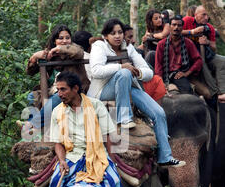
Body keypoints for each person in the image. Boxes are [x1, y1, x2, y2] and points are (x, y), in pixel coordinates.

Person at [87, 17, 185, 167]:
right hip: (102, 91)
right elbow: (95, 71)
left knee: (158, 112)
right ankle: (124, 118)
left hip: (127, 87)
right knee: (124, 74)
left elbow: (149, 72)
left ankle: (165, 156)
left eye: (120, 32)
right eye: (113, 33)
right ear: (106, 35)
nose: (118, 36)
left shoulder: (128, 47)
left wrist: (138, 71)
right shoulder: (99, 46)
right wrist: (122, 67)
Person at [49, 71, 125, 187]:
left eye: (63, 89)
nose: (59, 94)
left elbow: (107, 137)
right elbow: (58, 143)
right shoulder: (57, 111)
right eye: (58, 90)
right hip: (72, 156)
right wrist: (61, 161)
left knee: (116, 182)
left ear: (75, 89)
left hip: (97, 154)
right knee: (55, 182)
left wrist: (111, 161)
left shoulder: (96, 105)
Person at [22, 24, 90, 138]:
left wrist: (59, 48)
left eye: (67, 38)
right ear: (55, 40)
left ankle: (32, 125)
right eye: (60, 38)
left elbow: (79, 52)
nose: (64, 41)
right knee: (32, 96)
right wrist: (34, 58)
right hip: (52, 89)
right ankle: (33, 126)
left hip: (72, 90)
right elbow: (30, 72)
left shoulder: (74, 49)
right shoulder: (49, 53)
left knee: (59, 96)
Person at [182, 5, 225, 103]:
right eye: (204, 15)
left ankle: (222, 92)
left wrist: (207, 42)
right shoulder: (188, 20)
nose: (206, 17)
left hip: (206, 54)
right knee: (201, 63)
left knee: (222, 60)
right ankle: (215, 92)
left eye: (208, 15)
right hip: (189, 57)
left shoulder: (209, 27)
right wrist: (192, 31)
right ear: (196, 15)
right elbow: (176, 31)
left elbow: (214, 47)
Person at [155, 15, 203, 94]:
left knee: (187, 91)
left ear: (182, 28)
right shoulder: (161, 44)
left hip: (179, 74)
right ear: (170, 26)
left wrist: (187, 73)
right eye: (174, 25)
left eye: (179, 25)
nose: (176, 27)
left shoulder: (188, 43)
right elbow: (158, 65)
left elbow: (198, 60)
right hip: (165, 74)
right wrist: (160, 82)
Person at [124, 24, 167, 104]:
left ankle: (155, 112)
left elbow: (149, 71)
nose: (133, 41)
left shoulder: (131, 49)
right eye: (129, 37)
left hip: (135, 84)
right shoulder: (103, 50)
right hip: (117, 90)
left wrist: (137, 72)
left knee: (157, 80)